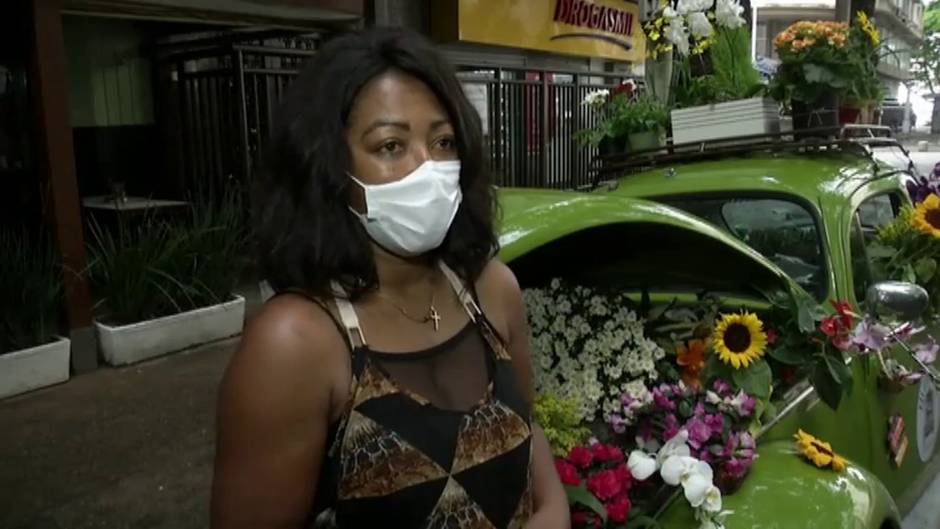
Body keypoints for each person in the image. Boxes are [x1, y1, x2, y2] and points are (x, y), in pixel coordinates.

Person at [210, 28, 569, 529]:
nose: (428, 168)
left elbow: (531, 451)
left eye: (443, 142)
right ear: (328, 167)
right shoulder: (295, 343)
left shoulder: (493, 291)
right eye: (390, 145)